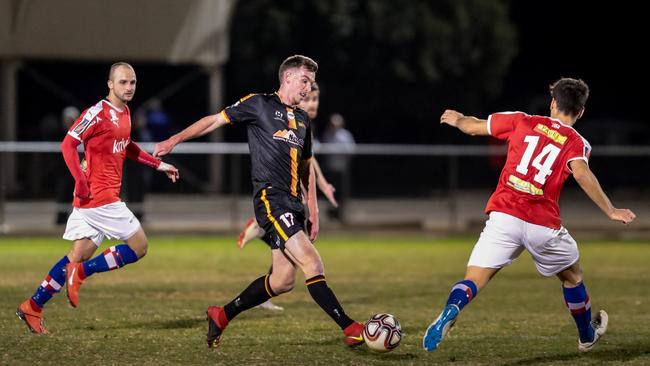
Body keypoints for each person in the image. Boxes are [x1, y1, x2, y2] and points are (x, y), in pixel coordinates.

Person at [154, 55, 365, 349]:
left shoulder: (303, 120)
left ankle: (221, 315)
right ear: (288, 78)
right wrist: (173, 141)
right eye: (305, 81)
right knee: (313, 262)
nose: (309, 88)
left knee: (282, 281)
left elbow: (306, 167)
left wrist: (314, 210)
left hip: (294, 205)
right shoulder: (259, 104)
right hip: (270, 200)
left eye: (312, 83)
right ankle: (351, 327)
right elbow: (214, 121)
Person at [422, 78, 636, 353]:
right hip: (542, 224)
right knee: (572, 277)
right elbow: (582, 173)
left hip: (504, 216)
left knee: (474, 279)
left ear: (553, 103)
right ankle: (586, 336)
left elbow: (474, 127)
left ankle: (451, 309)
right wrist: (611, 210)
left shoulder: (522, 121)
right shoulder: (576, 142)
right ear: (581, 112)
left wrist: (459, 119)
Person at [16, 62, 179, 334]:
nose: (129, 87)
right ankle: (81, 273)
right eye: (123, 82)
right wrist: (80, 181)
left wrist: (158, 165)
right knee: (139, 246)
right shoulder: (96, 113)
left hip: (97, 198)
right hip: (99, 197)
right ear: (110, 84)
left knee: (77, 254)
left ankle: (33, 306)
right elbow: (68, 144)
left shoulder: (125, 112)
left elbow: (126, 146)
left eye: (133, 82)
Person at [236, 82, 338, 312]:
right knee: (296, 245)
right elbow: (304, 164)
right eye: (309, 99)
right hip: (286, 194)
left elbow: (310, 162)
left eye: (316, 99)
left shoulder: (303, 124)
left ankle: (268, 289)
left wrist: (323, 185)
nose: (313, 104)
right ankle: (260, 233)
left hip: (295, 195)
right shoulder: (291, 119)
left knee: (289, 249)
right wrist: (313, 191)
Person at [321, 113, 355, 221]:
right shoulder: (327, 134)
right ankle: (332, 214)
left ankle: (341, 214)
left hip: (342, 169)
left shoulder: (346, 135)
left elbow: (351, 150)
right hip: (330, 169)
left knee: (342, 192)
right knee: (331, 191)